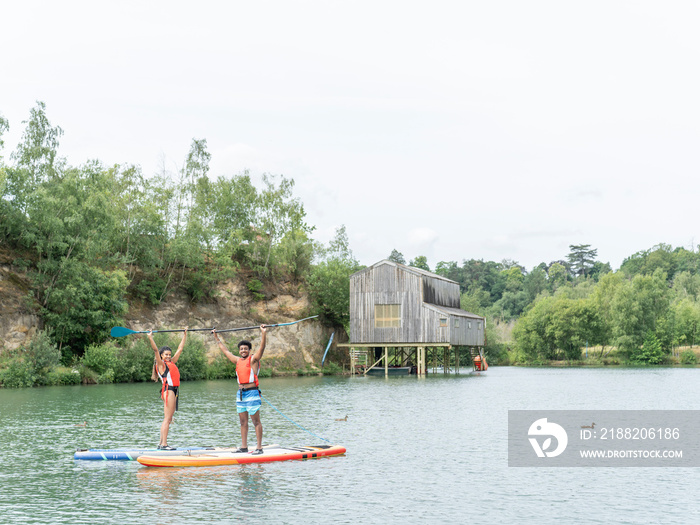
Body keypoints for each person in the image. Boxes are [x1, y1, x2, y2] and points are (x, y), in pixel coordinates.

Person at [212, 325, 267, 454]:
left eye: (245, 349)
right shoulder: (237, 360)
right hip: (240, 395)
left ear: (249, 350)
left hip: (252, 393)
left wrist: (263, 333)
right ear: (239, 350)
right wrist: (216, 336)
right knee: (243, 422)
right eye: (241, 349)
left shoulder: (253, 360)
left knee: (256, 421)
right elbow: (225, 351)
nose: (243, 350)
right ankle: (244, 447)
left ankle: (259, 448)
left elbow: (262, 348)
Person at [147, 327, 188, 450]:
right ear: (161, 356)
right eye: (166, 355)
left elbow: (180, 349)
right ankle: (164, 444)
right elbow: (155, 349)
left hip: (173, 392)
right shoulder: (161, 364)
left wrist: (184, 334)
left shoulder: (172, 362)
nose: (169, 356)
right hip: (168, 391)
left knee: (168, 419)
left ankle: (161, 443)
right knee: (167, 419)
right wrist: (150, 337)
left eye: (169, 354)